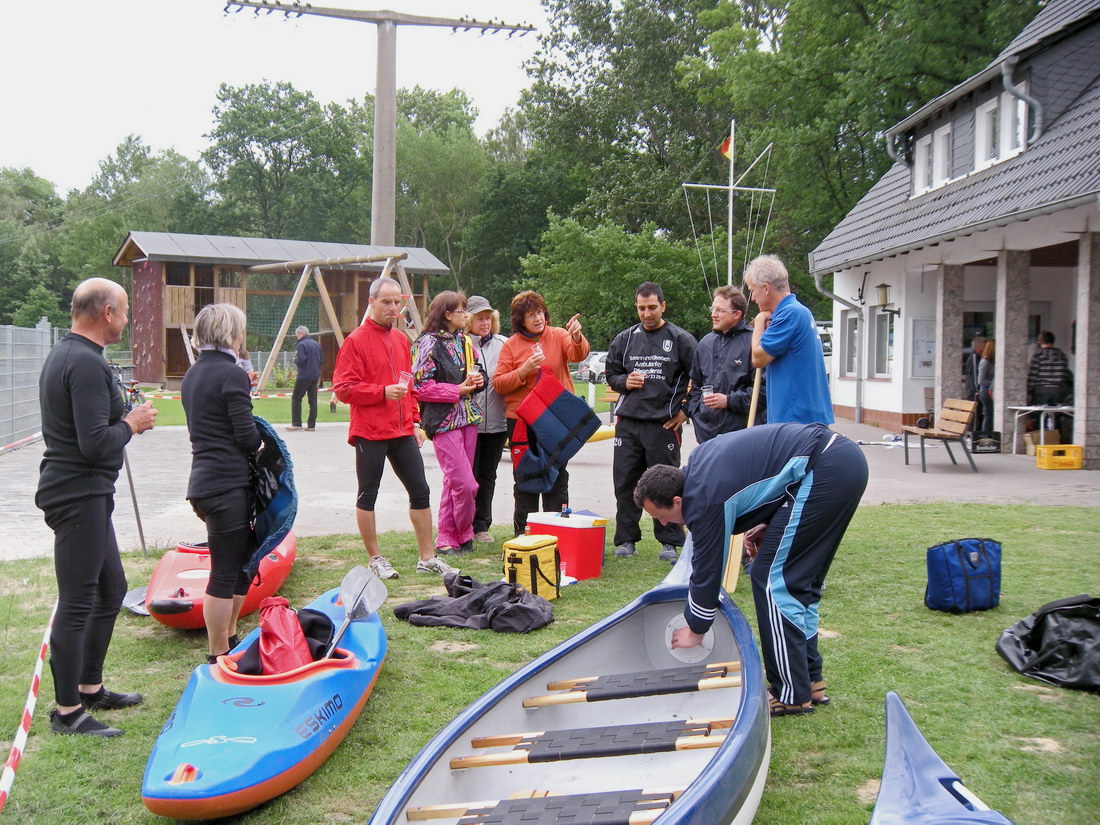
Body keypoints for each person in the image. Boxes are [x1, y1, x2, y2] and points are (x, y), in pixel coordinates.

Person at [633, 422, 867, 717]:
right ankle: (809, 680)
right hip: (836, 462)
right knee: (797, 584)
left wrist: (695, 627)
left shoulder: (703, 500)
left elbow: (706, 569)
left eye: (663, 516)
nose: (665, 524)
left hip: (824, 467)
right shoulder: (700, 469)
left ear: (677, 500)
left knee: (773, 581)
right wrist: (769, 522)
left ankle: (791, 694)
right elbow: (767, 474)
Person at [36, 277, 157, 736]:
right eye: (125, 311)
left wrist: (122, 418)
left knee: (111, 589)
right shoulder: (84, 363)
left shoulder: (73, 355)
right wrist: (132, 423)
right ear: (107, 312)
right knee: (79, 600)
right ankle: (68, 713)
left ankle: (90, 687)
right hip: (77, 493)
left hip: (87, 493)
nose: (127, 321)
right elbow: (93, 445)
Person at [332, 277, 454, 579]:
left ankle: (427, 557)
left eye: (397, 301)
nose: (393, 307)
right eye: (386, 301)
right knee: (368, 494)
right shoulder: (355, 341)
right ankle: (375, 558)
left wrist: (415, 421)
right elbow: (343, 388)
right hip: (369, 431)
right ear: (371, 302)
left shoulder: (401, 340)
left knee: (421, 491)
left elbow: (408, 384)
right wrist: (381, 392)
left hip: (401, 431)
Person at [181, 303, 262, 663]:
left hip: (205, 482)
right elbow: (246, 438)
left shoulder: (193, 373)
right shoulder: (231, 374)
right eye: (240, 330)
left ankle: (230, 636)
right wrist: (265, 447)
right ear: (231, 334)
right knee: (226, 571)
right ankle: (219, 653)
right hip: (226, 485)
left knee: (245, 561)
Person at [605, 282, 697, 562]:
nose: (646, 313)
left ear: (663, 306)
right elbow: (611, 375)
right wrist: (624, 381)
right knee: (625, 483)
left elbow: (703, 379)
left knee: (666, 485)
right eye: (642, 308)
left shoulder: (680, 339)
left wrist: (686, 411)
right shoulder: (625, 339)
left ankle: (669, 542)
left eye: (652, 308)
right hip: (629, 423)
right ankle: (626, 540)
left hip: (663, 424)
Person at [493, 291, 590, 536]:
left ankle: (556, 533)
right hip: (522, 421)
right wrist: (523, 370)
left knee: (557, 476)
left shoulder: (558, 335)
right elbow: (500, 384)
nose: (537, 318)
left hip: (556, 420)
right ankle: (524, 535)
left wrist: (577, 336)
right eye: (529, 315)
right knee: (526, 478)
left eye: (539, 312)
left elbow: (577, 353)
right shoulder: (511, 345)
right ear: (519, 320)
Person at [412, 292, 484, 555]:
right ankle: (460, 532)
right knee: (466, 484)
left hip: (469, 418)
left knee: (454, 483)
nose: (467, 315)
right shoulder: (427, 343)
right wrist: (458, 390)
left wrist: (479, 381)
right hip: (443, 421)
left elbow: (478, 370)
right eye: (462, 310)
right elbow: (420, 385)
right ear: (447, 314)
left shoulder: (465, 341)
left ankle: (450, 538)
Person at [746, 255, 832, 424]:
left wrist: (758, 323)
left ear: (765, 288)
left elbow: (758, 358)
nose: (752, 298)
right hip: (799, 416)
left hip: (796, 418)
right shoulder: (798, 311)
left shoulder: (790, 313)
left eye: (752, 291)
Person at [687, 285, 763, 443]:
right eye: (713, 309)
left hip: (739, 435)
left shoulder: (753, 343)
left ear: (737, 314)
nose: (713, 315)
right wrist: (696, 412)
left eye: (720, 310)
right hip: (705, 436)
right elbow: (696, 385)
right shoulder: (705, 344)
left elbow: (763, 392)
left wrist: (728, 400)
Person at [466, 295, 509, 544]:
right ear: (468, 320)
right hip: (468, 423)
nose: (485, 323)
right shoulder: (461, 345)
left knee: (487, 474)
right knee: (467, 476)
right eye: (480, 318)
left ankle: (482, 525)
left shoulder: (503, 344)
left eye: (488, 318)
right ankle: (464, 524)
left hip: (496, 423)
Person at [1027, 331, 1070, 434]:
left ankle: (1040, 442)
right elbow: (1064, 374)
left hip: (1041, 391)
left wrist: (1029, 391)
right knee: (1056, 418)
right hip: (1058, 391)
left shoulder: (1038, 356)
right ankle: (1056, 442)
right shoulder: (1062, 355)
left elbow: (1033, 375)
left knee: (1040, 417)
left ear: (1040, 342)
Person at [288, 325, 323, 431]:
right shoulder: (316, 344)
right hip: (315, 375)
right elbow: (321, 359)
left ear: (300, 334)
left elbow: (301, 359)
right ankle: (311, 425)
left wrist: (295, 360)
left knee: (296, 398)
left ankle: (297, 423)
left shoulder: (301, 345)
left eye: (296, 335)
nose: (297, 337)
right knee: (313, 400)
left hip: (304, 376)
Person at [977, 339, 996, 432]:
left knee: (990, 415)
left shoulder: (992, 361)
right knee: (988, 415)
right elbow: (980, 380)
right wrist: (994, 383)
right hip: (986, 392)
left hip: (991, 391)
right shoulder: (985, 362)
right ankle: (986, 435)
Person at [963, 334, 986, 403]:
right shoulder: (974, 357)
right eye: (985, 345)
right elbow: (974, 375)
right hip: (974, 393)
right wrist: (977, 390)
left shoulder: (979, 357)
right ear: (979, 346)